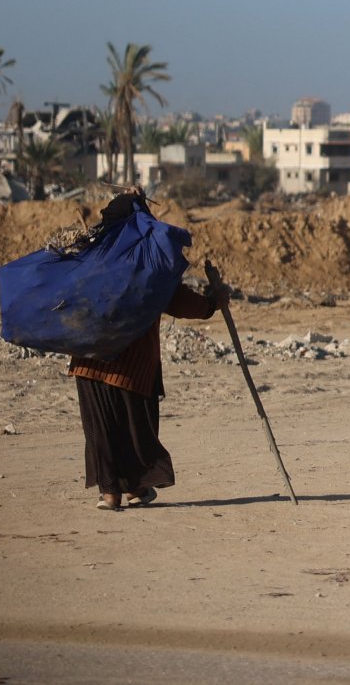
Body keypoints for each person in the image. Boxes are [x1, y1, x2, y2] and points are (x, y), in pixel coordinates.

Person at [66, 194, 226, 512]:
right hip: (132, 366)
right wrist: (211, 304)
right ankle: (137, 488)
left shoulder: (91, 256)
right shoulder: (147, 261)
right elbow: (175, 299)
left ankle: (109, 494)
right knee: (135, 429)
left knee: (102, 430)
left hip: (88, 360)